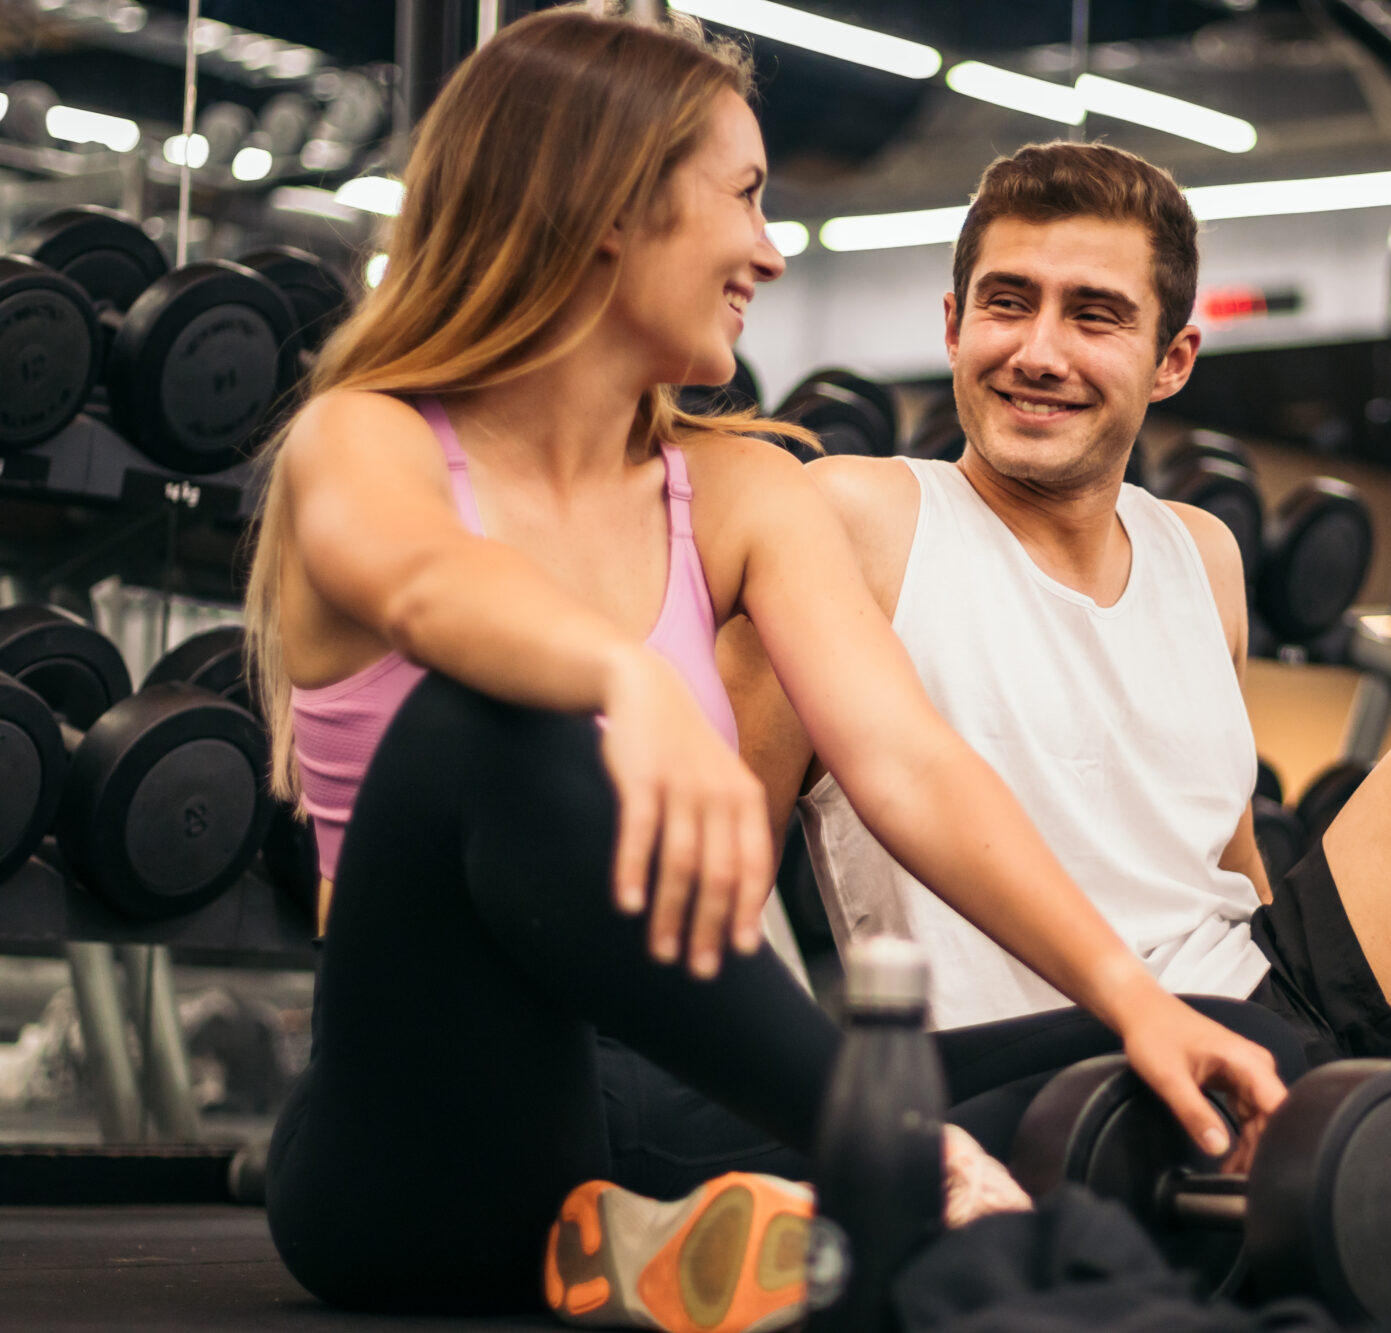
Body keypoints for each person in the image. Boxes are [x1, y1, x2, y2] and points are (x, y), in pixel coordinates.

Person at [244, 17, 1292, 1330]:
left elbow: (908, 763)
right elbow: (426, 585)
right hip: (415, 1145)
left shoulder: (743, 490)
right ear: (613, 209)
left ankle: (703, 1238)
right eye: (744, 198)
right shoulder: (364, 441)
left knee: (1187, 1042)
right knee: (495, 724)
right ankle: (882, 1171)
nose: (770, 249)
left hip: (674, 1090)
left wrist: (1136, 999)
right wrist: (616, 685)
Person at [717, 140, 1391, 1324]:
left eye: (1094, 315)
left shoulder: (1203, 552)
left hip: (1258, 995)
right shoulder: (853, 522)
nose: (1037, 352)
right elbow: (713, 890)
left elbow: (1223, 847)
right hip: (1070, 1085)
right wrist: (846, 1128)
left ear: (1171, 359)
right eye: (1007, 303)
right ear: (951, 324)